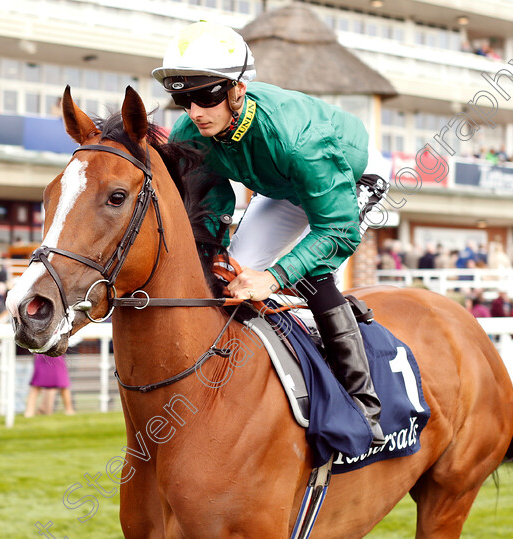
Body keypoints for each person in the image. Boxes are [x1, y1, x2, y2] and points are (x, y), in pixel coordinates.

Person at [154, 21, 390, 445]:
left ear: (237, 90)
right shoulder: (191, 133)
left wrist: (276, 277)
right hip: (284, 187)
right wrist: (213, 254)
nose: (194, 111)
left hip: (347, 173)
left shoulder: (300, 139)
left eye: (205, 95)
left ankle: (363, 406)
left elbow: (336, 230)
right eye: (183, 98)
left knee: (306, 273)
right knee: (234, 278)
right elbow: (208, 208)